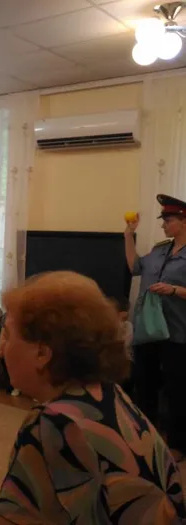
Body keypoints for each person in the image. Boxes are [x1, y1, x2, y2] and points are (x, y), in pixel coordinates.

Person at [0, 271, 185, 525]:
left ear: (42, 354)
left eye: (8, 335)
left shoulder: (55, 423)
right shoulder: (111, 394)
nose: (3, 347)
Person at [124, 194, 186, 462]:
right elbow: (134, 267)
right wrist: (129, 235)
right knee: (145, 385)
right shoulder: (159, 250)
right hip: (148, 331)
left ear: (184, 222)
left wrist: (175, 290)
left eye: (168, 220)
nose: (163, 225)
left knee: (177, 390)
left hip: (177, 333)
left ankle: (178, 445)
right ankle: (145, 438)